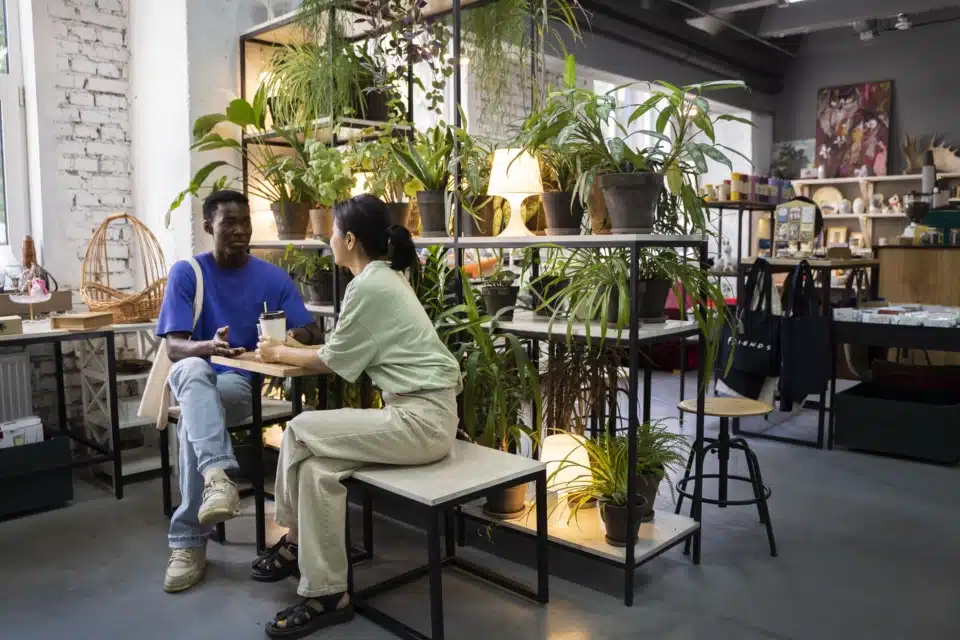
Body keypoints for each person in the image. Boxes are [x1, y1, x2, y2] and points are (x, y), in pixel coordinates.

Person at [252, 194, 461, 638]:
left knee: (299, 428)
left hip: (421, 422)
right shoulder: (381, 279)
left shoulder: (369, 286)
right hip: (420, 416)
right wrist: (287, 349)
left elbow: (330, 361)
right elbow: (335, 351)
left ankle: (289, 541)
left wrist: (278, 350)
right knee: (316, 471)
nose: (326, 238)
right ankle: (330, 592)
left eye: (330, 231)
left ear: (348, 239)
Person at [157, 189, 324, 593]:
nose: (238, 230)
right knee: (194, 371)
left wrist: (282, 341)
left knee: (196, 423)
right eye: (228, 222)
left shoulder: (272, 277)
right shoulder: (187, 273)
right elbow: (174, 347)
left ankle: (190, 539)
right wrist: (208, 347)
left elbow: (310, 330)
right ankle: (217, 475)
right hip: (195, 376)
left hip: (237, 385)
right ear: (208, 226)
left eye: (244, 222)